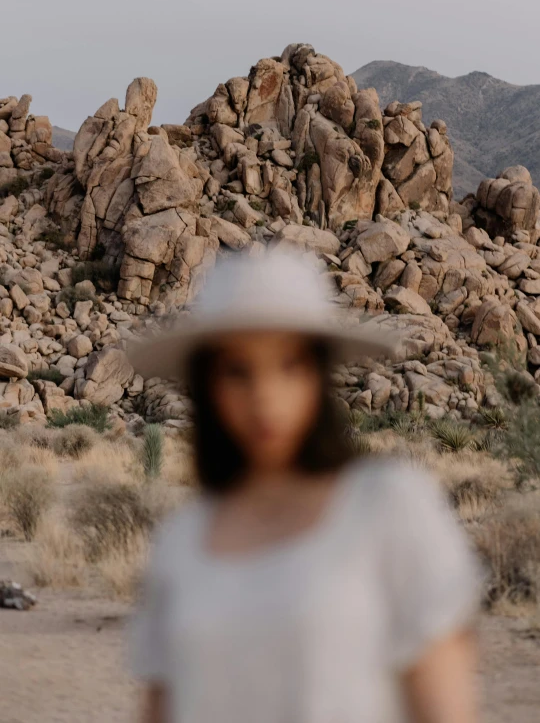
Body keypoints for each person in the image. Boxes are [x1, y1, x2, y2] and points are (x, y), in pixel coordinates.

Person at [129, 250, 480, 723]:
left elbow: (444, 708)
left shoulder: (390, 508)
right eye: (238, 371)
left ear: (318, 373)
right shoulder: (181, 541)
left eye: (289, 365)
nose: (264, 397)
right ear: (208, 383)